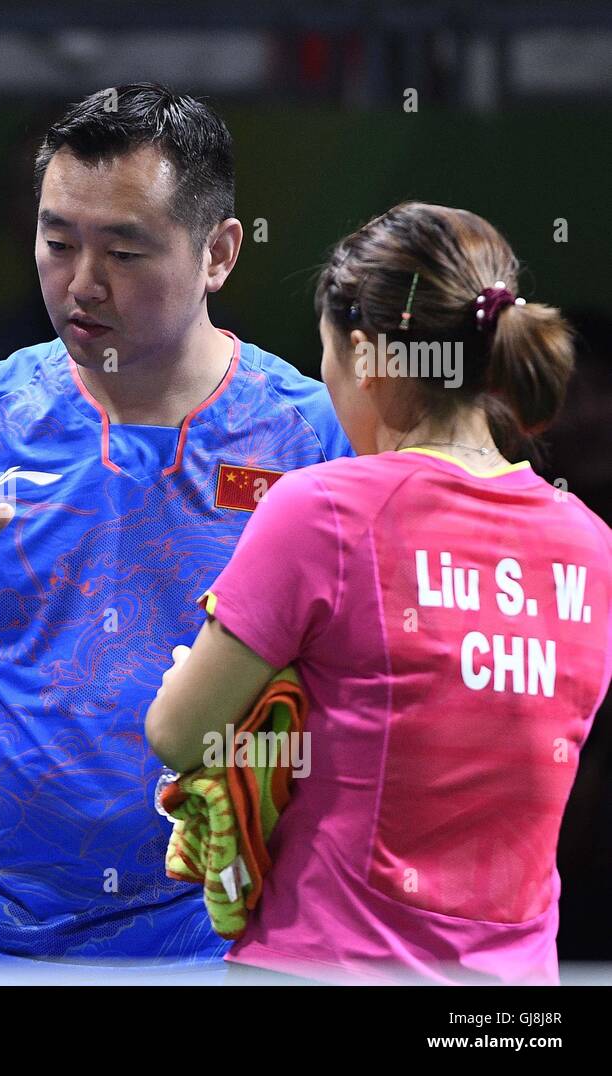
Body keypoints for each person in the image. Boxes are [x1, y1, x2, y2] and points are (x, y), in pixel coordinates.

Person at [0, 83, 350, 975]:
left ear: (219, 254)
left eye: (124, 251)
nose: (82, 284)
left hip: (231, 934)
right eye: (57, 244)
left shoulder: (313, 437)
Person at [145, 202, 611, 985]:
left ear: (365, 355)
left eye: (327, 358)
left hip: (323, 970)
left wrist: (196, 688)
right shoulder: (593, 547)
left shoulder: (320, 509)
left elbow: (177, 733)